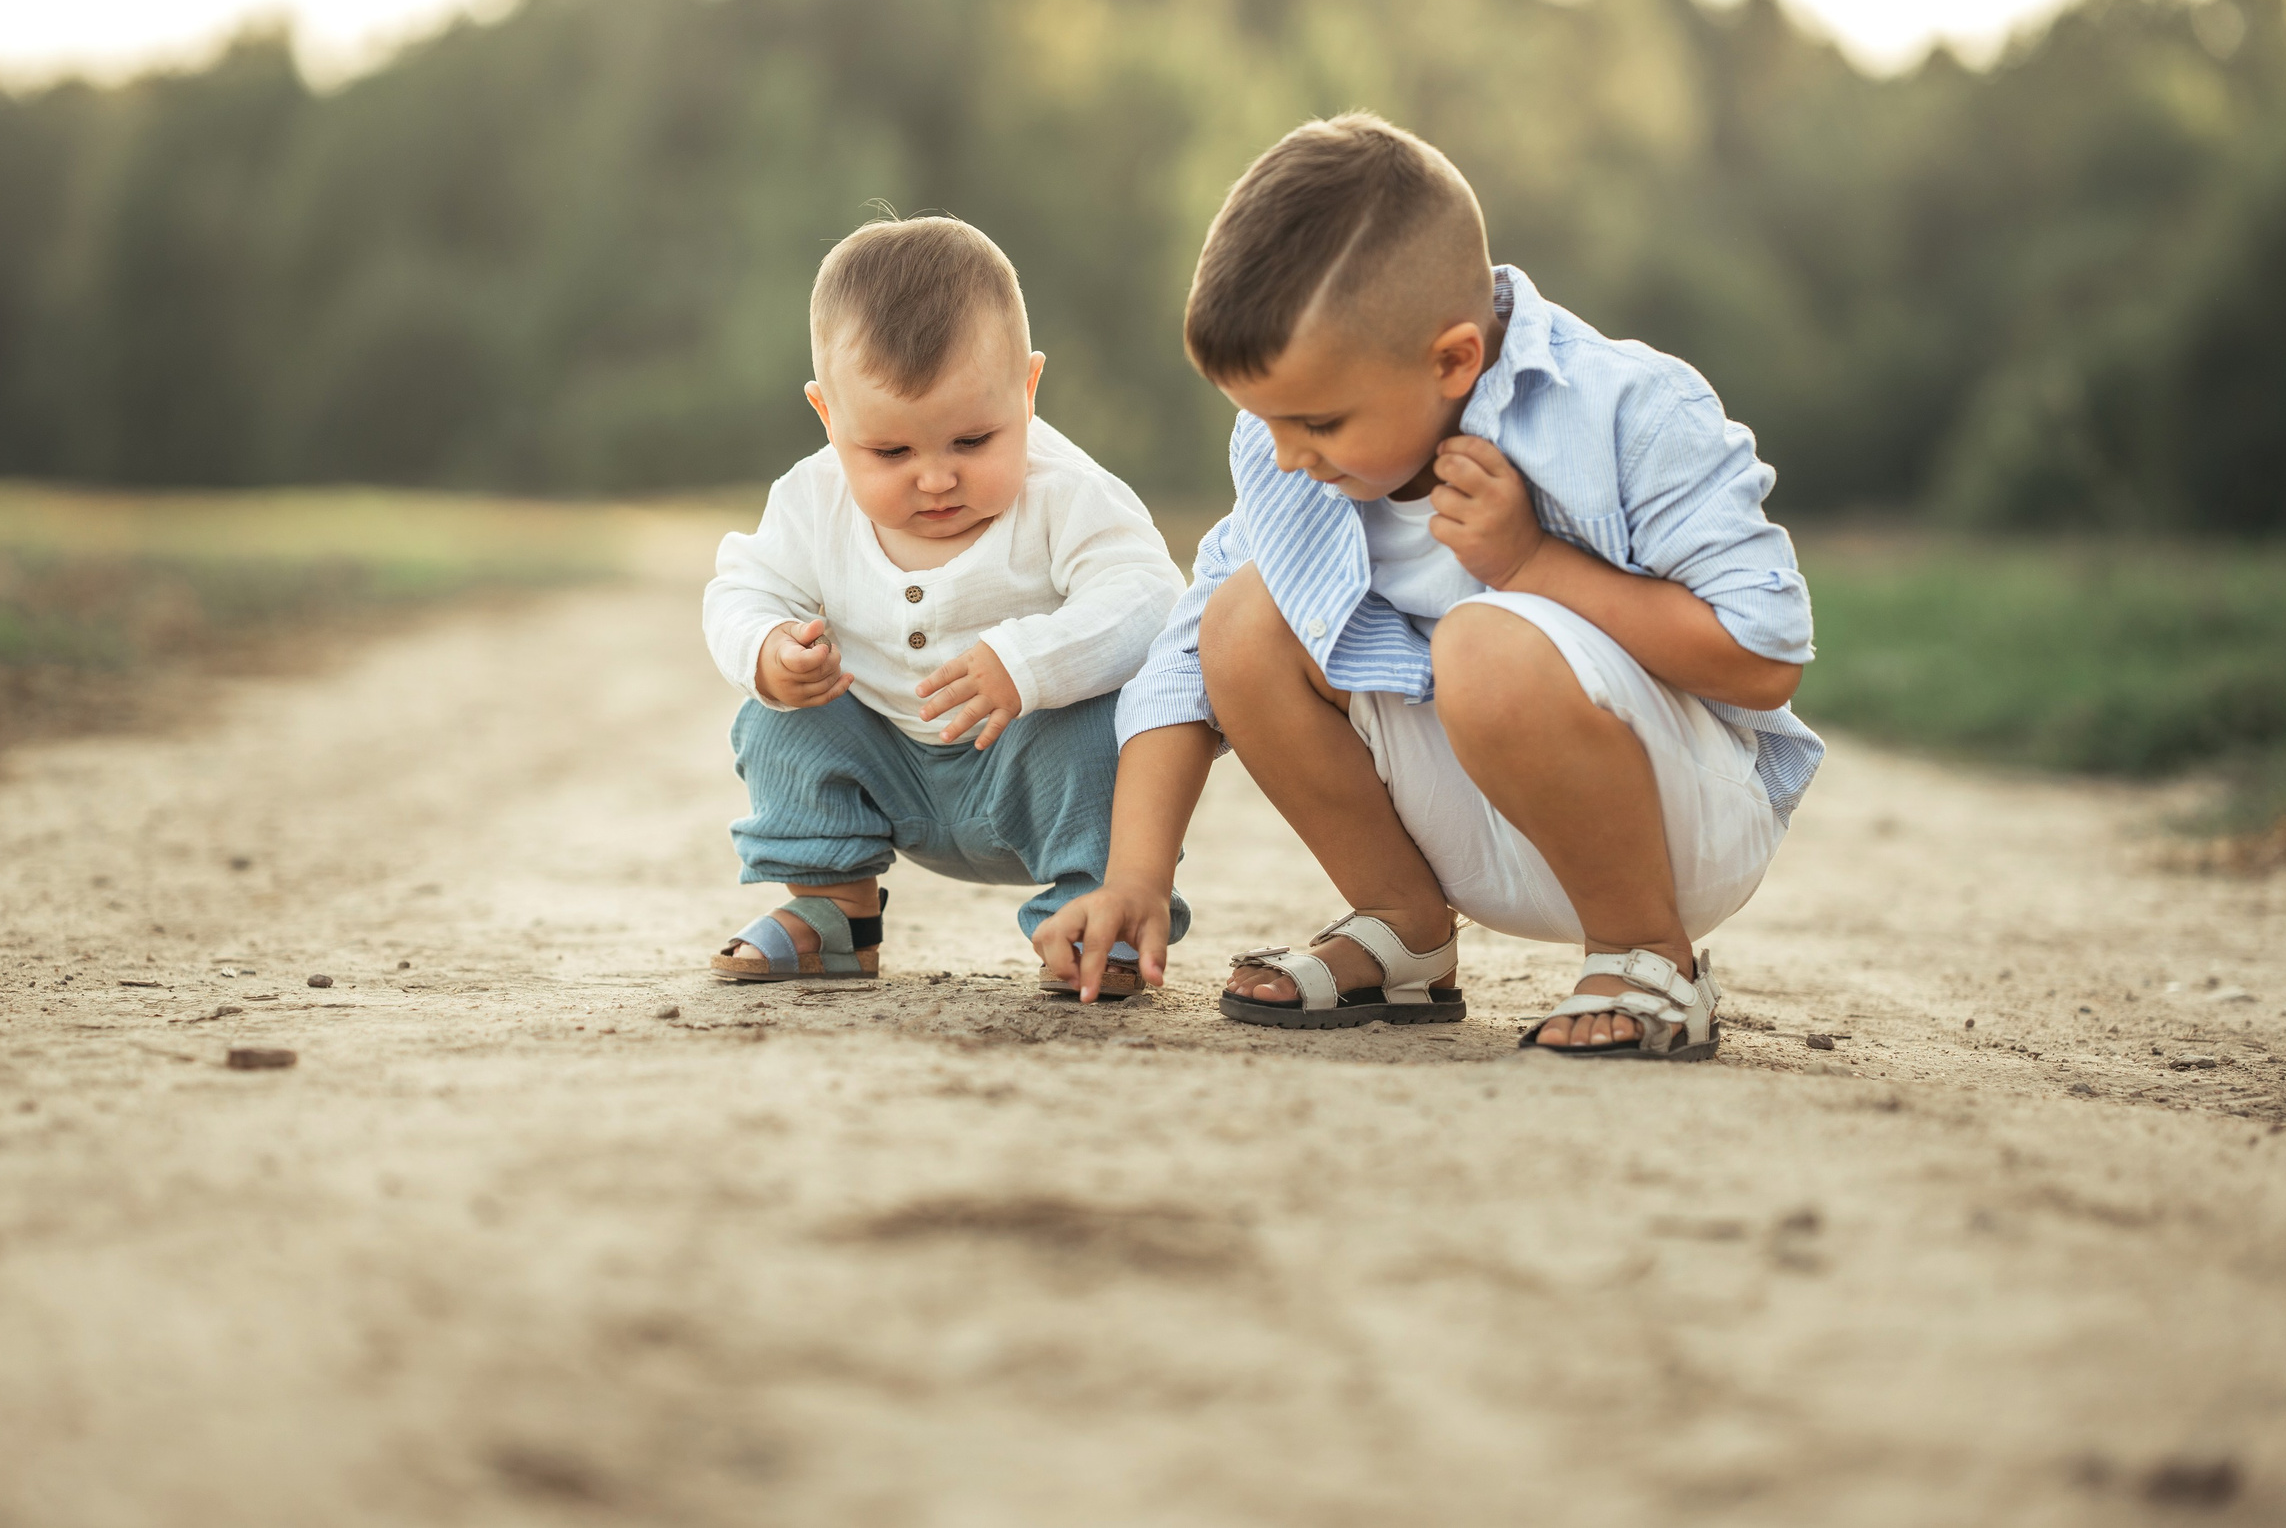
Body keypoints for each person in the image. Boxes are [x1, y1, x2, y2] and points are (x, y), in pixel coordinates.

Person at [1031, 114, 1823, 1057]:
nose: (1288, 454)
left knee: (1479, 639)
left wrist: (1531, 564)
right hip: (1480, 819)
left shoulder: (1626, 409)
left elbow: (1764, 659)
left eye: (1317, 422)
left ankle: (1650, 954)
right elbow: (1188, 661)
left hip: (1674, 823)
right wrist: (1137, 873)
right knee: (1242, 616)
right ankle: (1403, 927)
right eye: (1265, 420)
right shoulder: (1297, 453)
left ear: (1453, 359)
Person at [703, 216, 1189, 992]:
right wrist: (764, 646)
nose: (935, 478)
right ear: (829, 417)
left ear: (1027, 392)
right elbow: (742, 588)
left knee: (1102, 725)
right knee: (778, 715)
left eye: (972, 441)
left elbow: (1152, 598)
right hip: (887, 762)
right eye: (891, 451)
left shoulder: (1064, 494)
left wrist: (1030, 661)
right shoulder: (810, 500)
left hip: (1031, 764)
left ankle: (1096, 916)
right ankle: (834, 911)